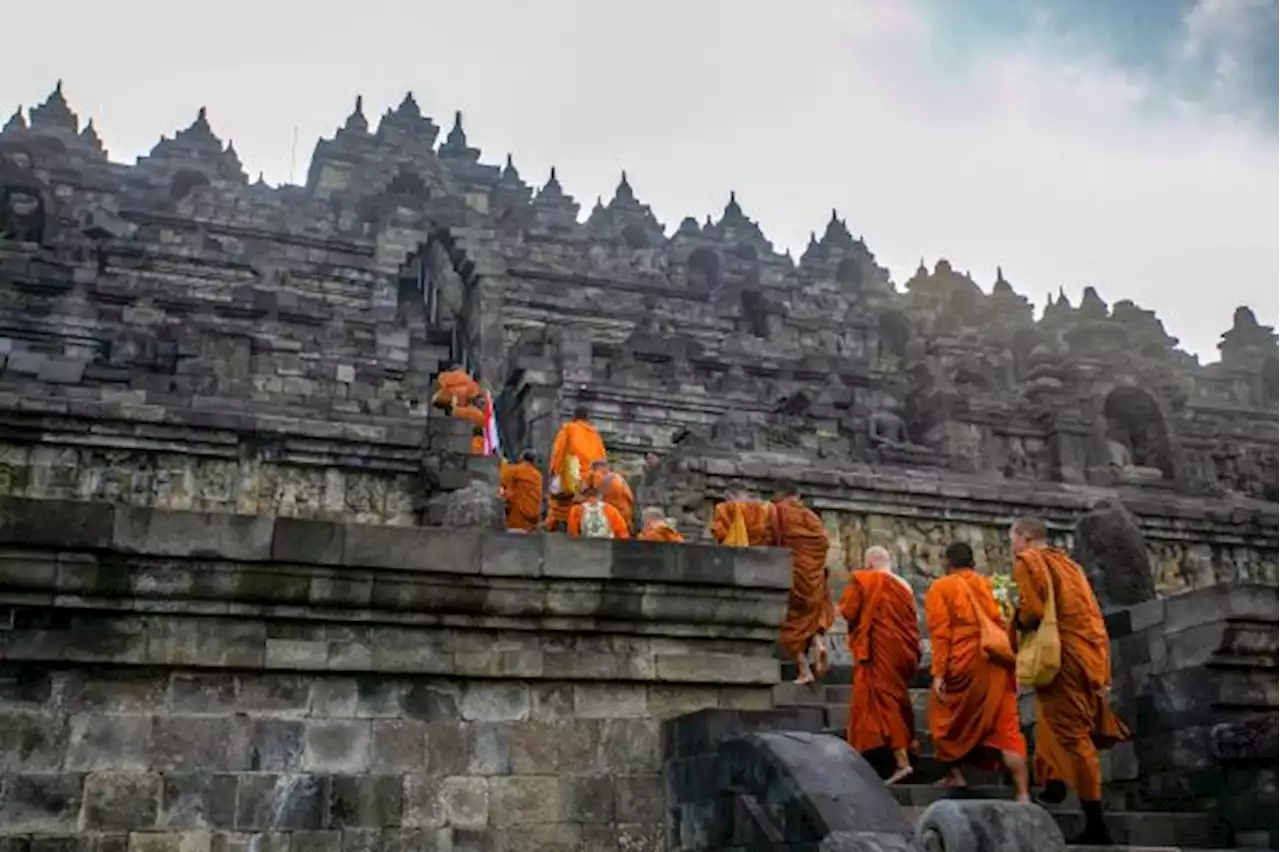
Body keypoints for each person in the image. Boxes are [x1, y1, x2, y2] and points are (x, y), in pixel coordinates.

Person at [1009, 517, 1131, 846]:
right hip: (1086, 653)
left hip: (1059, 657)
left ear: (1024, 537)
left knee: (1075, 736)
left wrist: (1013, 617)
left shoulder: (1028, 562)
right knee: (1054, 720)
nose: (1012, 545)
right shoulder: (1071, 566)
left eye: (1013, 538)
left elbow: (1032, 612)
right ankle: (1052, 780)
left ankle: (1096, 821)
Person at [924, 542, 1030, 801]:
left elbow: (941, 633)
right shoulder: (994, 587)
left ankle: (955, 774)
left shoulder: (942, 587)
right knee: (1005, 728)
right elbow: (1011, 623)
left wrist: (938, 672)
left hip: (963, 663)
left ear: (948, 562)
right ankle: (1023, 793)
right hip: (997, 662)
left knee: (942, 716)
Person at [839, 545, 921, 784]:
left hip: (879, 650)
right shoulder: (904, 586)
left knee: (884, 700)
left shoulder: (866, 580)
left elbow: (848, 611)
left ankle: (902, 761)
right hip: (902, 653)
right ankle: (908, 744)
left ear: (870, 562)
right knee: (896, 697)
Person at [772, 481, 834, 685]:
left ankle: (804, 669)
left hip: (794, 573)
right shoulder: (811, 516)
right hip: (815, 575)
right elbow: (824, 542)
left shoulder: (778, 512)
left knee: (791, 626)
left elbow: (769, 538)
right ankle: (818, 642)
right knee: (813, 617)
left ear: (781, 494)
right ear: (797, 496)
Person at [548, 406, 607, 498]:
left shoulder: (568, 429)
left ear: (574, 417)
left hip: (571, 481)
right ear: (587, 418)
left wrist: (554, 471)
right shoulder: (596, 436)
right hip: (590, 484)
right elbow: (602, 460)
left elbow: (558, 452)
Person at [709, 485, 776, 547]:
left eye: (727, 499)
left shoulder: (731, 507)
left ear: (731, 496)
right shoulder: (767, 507)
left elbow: (720, 532)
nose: (727, 502)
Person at [586, 459, 635, 533]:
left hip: (614, 515)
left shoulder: (599, 476)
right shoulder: (618, 477)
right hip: (625, 512)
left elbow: (597, 493)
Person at [499, 451, 543, 532]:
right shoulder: (538, 476)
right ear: (534, 462)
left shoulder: (512, 471)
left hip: (515, 518)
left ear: (521, 459)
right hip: (532, 521)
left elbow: (502, 485)